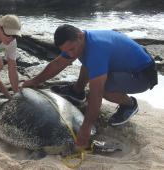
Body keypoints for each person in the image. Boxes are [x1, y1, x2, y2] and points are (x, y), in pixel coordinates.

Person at [22, 24, 157, 148]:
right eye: (66, 51)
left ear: (80, 36)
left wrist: (86, 127)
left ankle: (129, 104)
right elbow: (57, 64)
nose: (70, 54)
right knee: (88, 61)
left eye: (71, 49)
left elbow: (96, 93)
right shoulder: (82, 42)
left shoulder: (97, 49)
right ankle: (77, 91)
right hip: (125, 67)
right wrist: (34, 81)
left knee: (104, 88)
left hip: (142, 75)